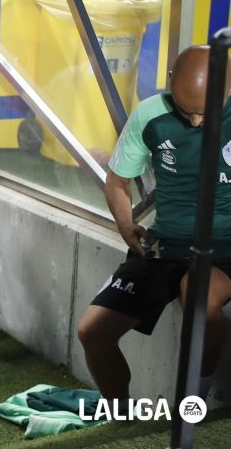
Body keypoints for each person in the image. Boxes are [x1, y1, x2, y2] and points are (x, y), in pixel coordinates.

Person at [76, 46, 231, 404]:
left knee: (199, 296)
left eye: (204, 114)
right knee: (92, 333)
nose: (194, 122)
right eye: (185, 111)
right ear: (171, 83)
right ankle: (123, 417)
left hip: (223, 248)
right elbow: (117, 182)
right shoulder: (150, 114)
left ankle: (191, 409)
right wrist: (125, 224)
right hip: (165, 246)